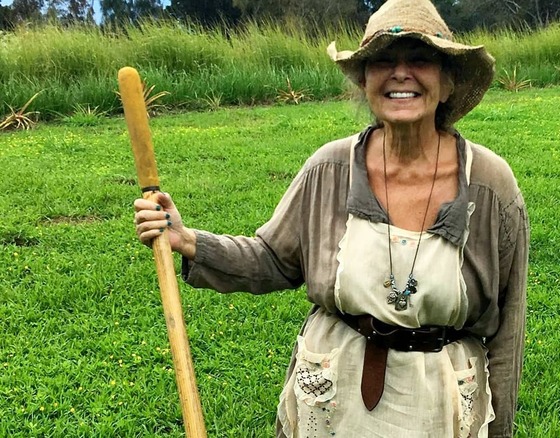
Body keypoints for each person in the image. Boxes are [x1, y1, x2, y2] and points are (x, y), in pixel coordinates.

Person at [133, 0, 529, 436]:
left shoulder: (490, 185)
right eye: (383, 60)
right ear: (364, 80)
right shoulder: (329, 168)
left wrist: (501, 428)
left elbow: (509, 327)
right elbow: (273, 259)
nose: (401, 73)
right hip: (333, 398)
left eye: (420, 59)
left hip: (440, 404)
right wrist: (189, 241)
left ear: (448, 82)